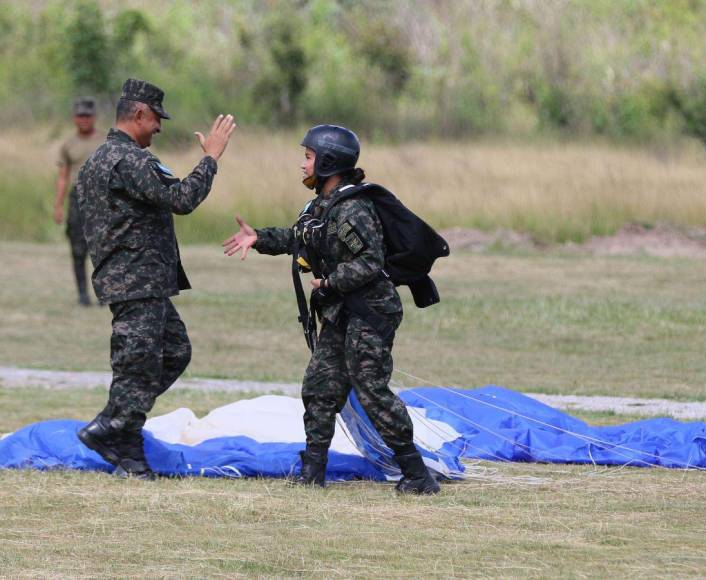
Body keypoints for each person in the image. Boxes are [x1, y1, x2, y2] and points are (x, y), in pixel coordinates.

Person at [222, 124, 440, 494]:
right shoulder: (321, 206)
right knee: (320, 387)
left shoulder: (353, 209)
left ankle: (417, 474)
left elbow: (370, 262)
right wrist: (259, 237)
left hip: (370, 311)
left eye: (308, 158)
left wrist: (330, 283)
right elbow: (299, 237)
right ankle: (313, 471)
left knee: (370, 388)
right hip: (342, 312)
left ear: (328, 162)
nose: (302, 164)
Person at [75, 78, 236, 479]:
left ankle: (124, 443)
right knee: (138, 363)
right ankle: (111, 425)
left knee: (171, 352)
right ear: (140, 114)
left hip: (132, 278)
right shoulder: (129, 160)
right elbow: (181, 199)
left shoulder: (98, 159)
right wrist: (211, 158)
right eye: (156, 119)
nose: (159, 128)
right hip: (137, 280)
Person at [54, 97, 102, 306]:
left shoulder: (106, 140)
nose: (84, 119)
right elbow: (63, 176)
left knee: (103, 249)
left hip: (102, 199)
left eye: (87, 115)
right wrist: (58, 205)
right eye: (80, 115)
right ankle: (83, 295)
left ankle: (105, 293)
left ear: (94, 117)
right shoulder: (68, 144)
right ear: (74, 118)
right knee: (77, 248)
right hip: (77, 199)